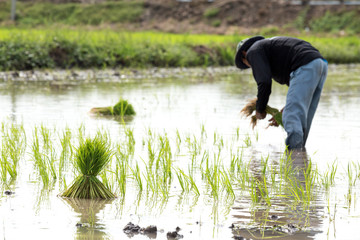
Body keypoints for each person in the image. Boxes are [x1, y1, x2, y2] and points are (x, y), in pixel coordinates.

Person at [235, 36, 328, 150]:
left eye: (246, 64)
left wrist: (260, 109)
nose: (251, 66)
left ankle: (294, 158)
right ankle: (301, 158)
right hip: (319, 63)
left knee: (292, 117)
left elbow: (264, 82)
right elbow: (297, 87)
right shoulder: (268, 49)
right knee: (302, 119)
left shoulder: (253, 51)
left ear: (244, 54)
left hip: (305, 64)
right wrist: (285, 109)